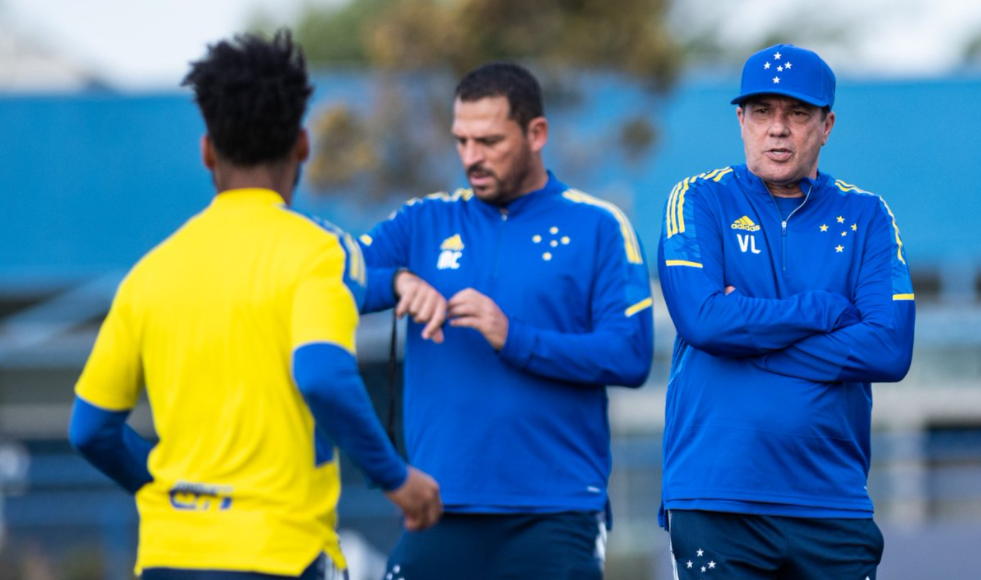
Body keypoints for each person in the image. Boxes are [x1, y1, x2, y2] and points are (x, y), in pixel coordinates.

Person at [67, 30, 442, 580]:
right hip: (278, 558)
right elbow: (321, 373)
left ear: (206, 152)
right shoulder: (319, 253)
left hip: (169, 558)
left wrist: (165, 488)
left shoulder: (149, 273)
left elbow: (90, 430)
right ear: (302, 145)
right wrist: (397, 480)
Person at [357, 62, 654, 580]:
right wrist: (396, 283)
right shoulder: (423, 221)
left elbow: (630, 355)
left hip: (556, 511)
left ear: (536, 133)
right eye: (461, 141)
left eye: (489, 141)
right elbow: (328, 280)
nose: (472, 158)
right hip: (439, 506)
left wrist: (514, 337)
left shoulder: (599, 225)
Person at [657, 44, 915, 579]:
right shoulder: (699, 198)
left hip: (832, 501)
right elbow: (702, 320)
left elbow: (889, 350)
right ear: (740, 120)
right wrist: (821, 309)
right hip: (717, 498)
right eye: (761, 112)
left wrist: (745, 342)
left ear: (827, 125)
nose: (777, 129)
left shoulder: (865, 215)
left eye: (797, 113)